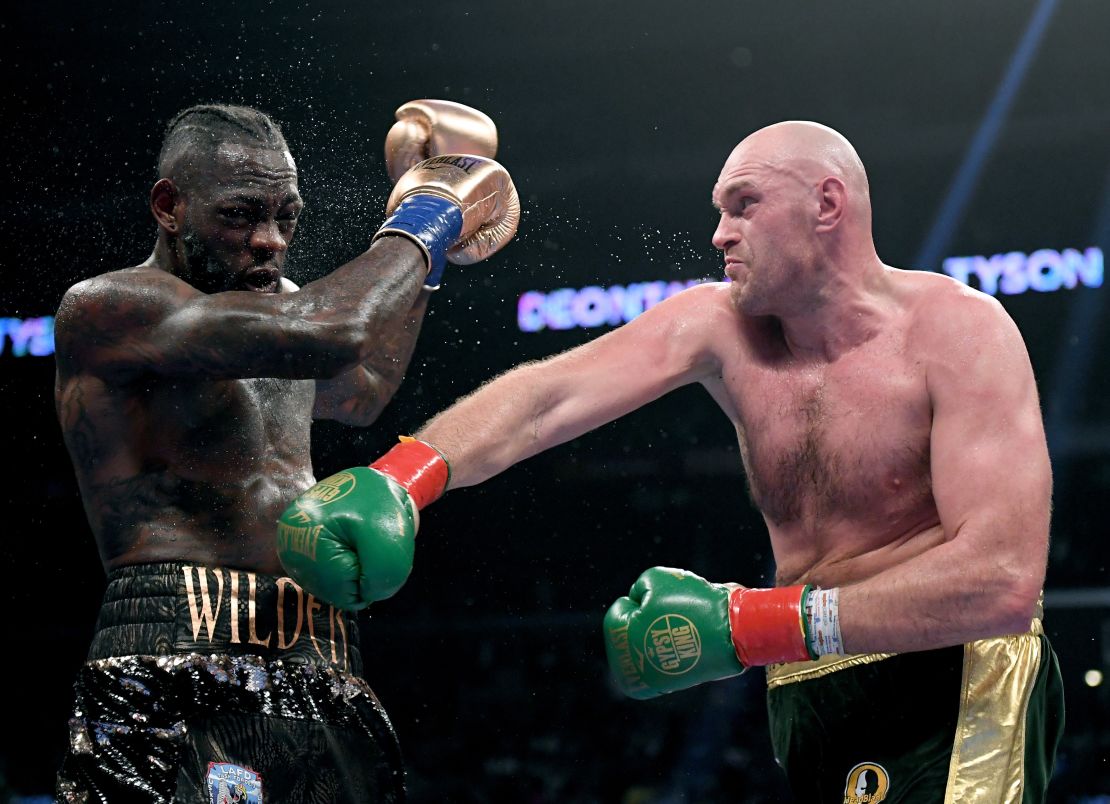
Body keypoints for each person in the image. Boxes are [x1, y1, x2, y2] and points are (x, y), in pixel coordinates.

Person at [279, 119, 1067, 802]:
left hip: (949, 674)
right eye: (718, 211)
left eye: (744, 205)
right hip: (804, 682)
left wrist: (746, 625)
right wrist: (402, 479)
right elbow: (547, 396)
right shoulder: (719, 328)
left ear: (828, 205)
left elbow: (1000, 582)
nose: (721, 233)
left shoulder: (958, 332)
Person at [52, 100, 518, 803]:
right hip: (174, 653)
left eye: (286, 217)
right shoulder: (114, 308)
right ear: (169, 205)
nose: (269, 241)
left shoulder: (286, 312)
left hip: (324, 658)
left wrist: (429, 258)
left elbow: (360, 388)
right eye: (240, 215)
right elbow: (335, 329)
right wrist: (429, 209)